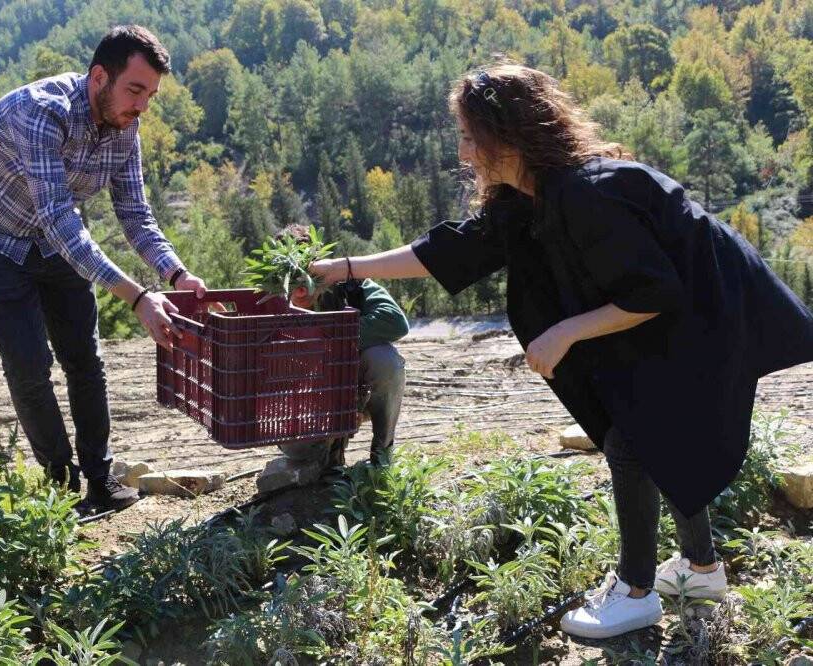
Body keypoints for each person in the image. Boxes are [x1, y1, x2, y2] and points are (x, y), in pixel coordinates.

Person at [311, 62, 813, 639]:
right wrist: (344, 269)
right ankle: (700, 571)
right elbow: (448, 252)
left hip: (705, 317)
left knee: (635, 438)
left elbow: (654, 291)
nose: (464, 152)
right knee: (653, 434)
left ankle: (636, 591)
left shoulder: (585, 195)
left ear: (510, 136)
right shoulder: (531, 196)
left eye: (472, 137)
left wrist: (565, 332)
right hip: (673, 316)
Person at [0, 25, 207, 512]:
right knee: (29, 370)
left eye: (150, 94)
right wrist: (136, 295)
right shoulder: (42, 114)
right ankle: (61, 491)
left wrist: (176, 275)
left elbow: (135, 214)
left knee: (85, 360)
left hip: (52, 241)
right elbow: (60, 219)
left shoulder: (127, 127)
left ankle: (101, 477)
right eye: (134, 90)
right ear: (98, 77)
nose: (142, 107)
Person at [275, 224, 409, 468]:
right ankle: (329, 458)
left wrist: (332, 340)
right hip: (303, 403)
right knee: (300, 452)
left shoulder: (346, 286)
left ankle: (383, 454)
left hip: (353, 394)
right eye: (290, 277)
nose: (300, 287)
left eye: (306, 274)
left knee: (384, 359)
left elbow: (395, 321)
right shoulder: (270, 303)